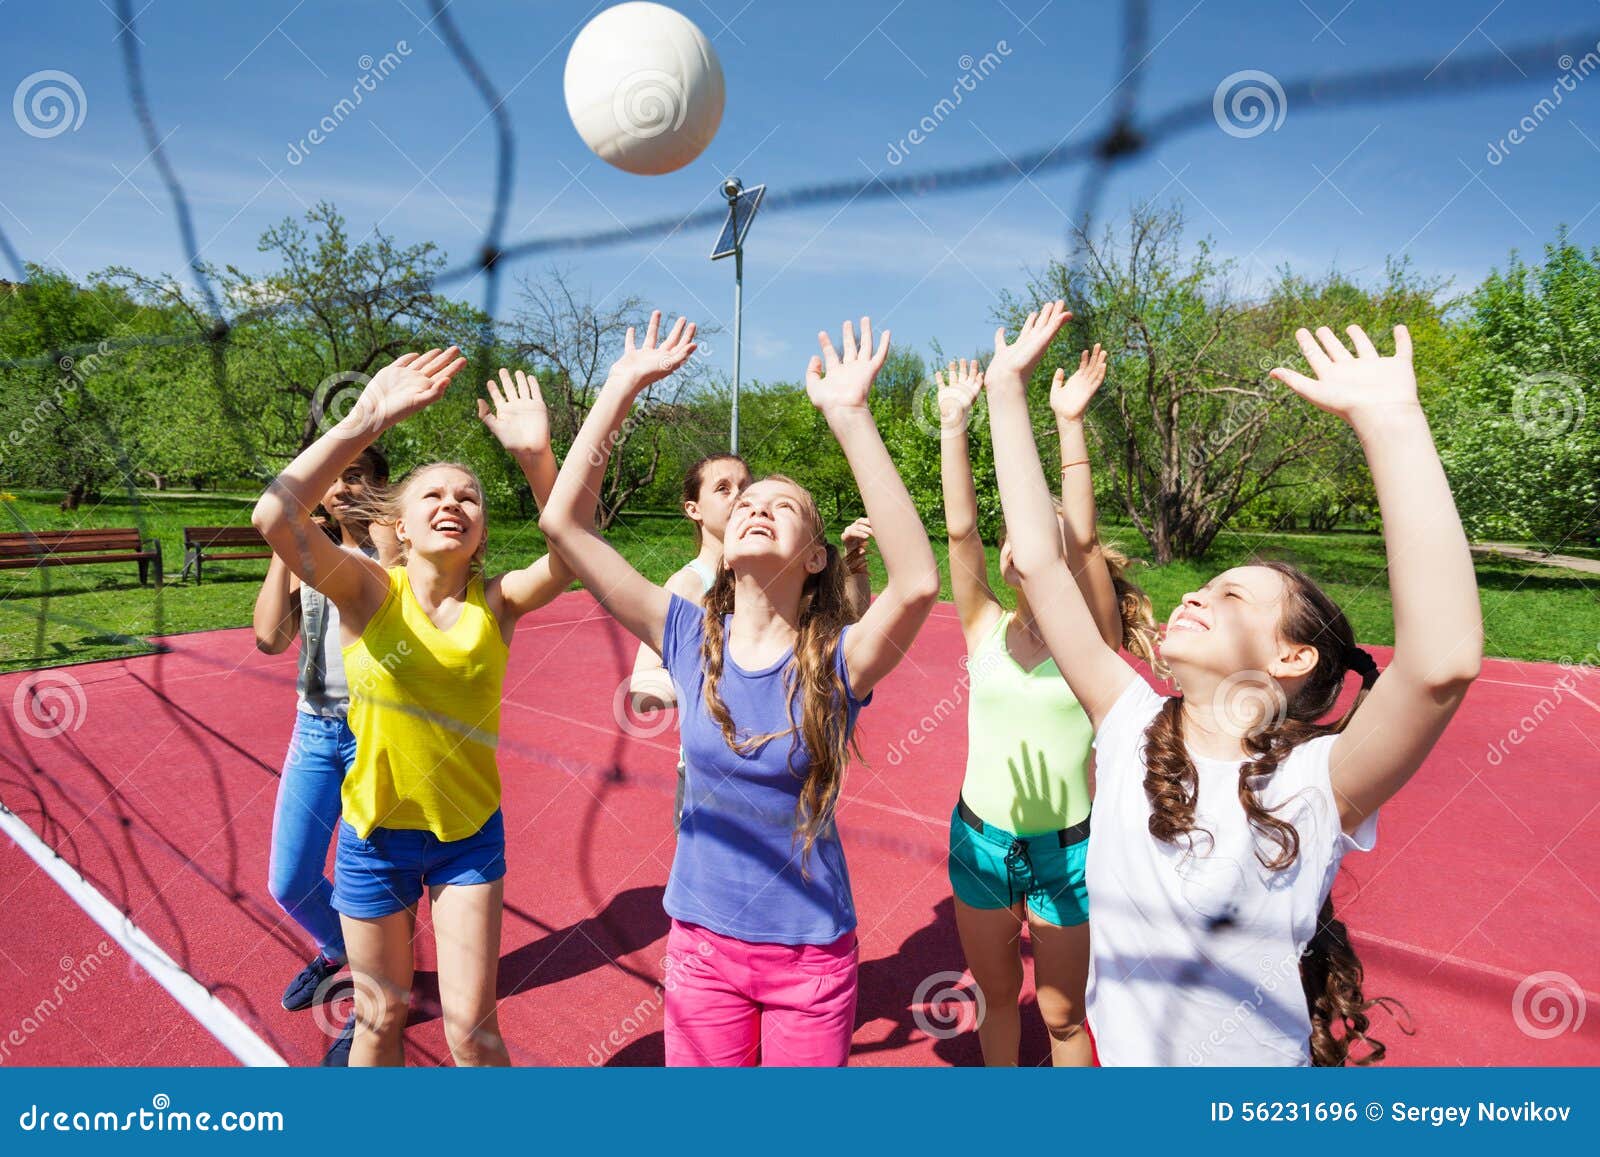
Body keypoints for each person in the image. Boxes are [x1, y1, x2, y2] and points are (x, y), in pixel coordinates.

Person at [983, 303, 1480, 1066]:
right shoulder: (1128, 720)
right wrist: (1005, 391)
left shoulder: (1319, 781)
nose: (1192, 596)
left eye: (1231, 596)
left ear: (1292, 658)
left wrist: (1392, 423)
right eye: (1201, 587)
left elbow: (1441, 661)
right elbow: (1045, 564)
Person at [541, 314, 940, 1066]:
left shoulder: (837, 658)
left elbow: (918, 582)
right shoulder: (690, 634)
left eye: (780, 505)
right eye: (746, 500)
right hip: (700, 947)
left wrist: (851, 417)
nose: (755, 505)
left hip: (810, 959)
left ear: (816, 556)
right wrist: (622, 386)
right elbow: (564, 524)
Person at [252, 356, 572, 1067]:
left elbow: (572, 552)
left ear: (483, 530)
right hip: (375, 838)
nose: (453, 501)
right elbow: (274, 516)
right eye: (433, 494)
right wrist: (362, 421)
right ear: (397, 518)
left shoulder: (499, 601)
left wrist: (538, 457)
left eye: (469, 496)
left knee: (472, 1031)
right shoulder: (367, 588)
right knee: (380, 1018)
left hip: (468, 840)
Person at [935, 352, 1156, 1066]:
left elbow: (1084, 538)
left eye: (1040, 534)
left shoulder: (1093, 637)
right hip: (981, 844)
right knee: (999, 999)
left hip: (1068, 851)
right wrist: (952, 423)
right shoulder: (981, 624)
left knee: (1062, 1015)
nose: (1017, 544)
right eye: (1016, 538)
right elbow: (961, 530)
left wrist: (1069, 425)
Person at [627, 456, 873, 827]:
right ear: (693, 509)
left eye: (744, 485)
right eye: (723, 488)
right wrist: (729, 677)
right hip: (715, 770)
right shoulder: (687, 586)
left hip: (789, 762)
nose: (739, 495)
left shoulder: (783, 570)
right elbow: (641, 689)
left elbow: (846, 627)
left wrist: (853, 568)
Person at [252, 446, 391, 1016]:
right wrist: (286, 544)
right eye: (329, 482)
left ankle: (375, 1000)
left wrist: (390, 527)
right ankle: (340, 950)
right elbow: (268, 638)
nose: (339, 490)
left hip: (378, 736)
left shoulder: (404, 552)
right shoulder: (307, 551)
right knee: (289, 881)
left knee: (374, 884)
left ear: (383, 484)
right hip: (314, 731)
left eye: (355, 477)